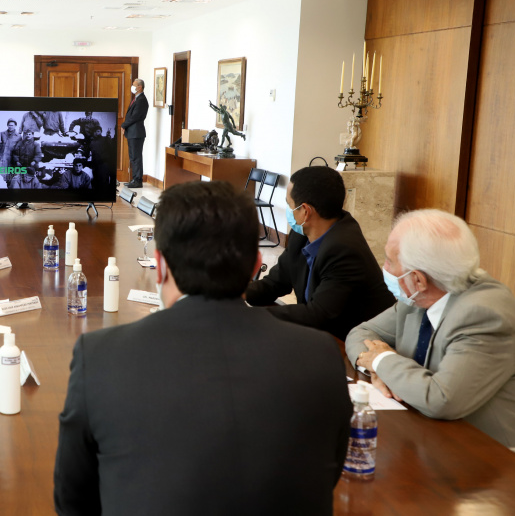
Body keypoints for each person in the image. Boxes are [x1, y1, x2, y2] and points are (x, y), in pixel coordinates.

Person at [54, 180, 352, 515]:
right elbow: (327, 472)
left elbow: (73, 500)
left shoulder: (99, 356)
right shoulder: (321, 356)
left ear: (161, 265)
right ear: (256, 265)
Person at [346, 209, 515, 450]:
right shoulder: (420, 297)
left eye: (389, 260)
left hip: (488, 459)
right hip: (424, 436)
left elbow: (441, 399)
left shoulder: (485, 315)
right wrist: (373, 365)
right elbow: (361, 333)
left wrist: (383, 361)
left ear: (417, 279)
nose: (384, 267)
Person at [246, 166, 394, 340]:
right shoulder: (300, 235)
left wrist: (255, 317)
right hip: (325, 335)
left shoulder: (344, 249)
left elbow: (318, 314)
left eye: (289, 205)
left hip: (359, 343)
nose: (288, 211)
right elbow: (275, 283)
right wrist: (234, 293)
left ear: (306, 211)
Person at [121, 78, 148, 188]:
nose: (132, 87)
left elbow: (135, 116)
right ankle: (134, 179)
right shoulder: (136, 99)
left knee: (136, 157)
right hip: (132, 132)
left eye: (134, 85)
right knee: (133, 157)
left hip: (136, 133)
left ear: (140, 87)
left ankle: (138, 180)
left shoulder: (141, 100)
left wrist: (124, 125)